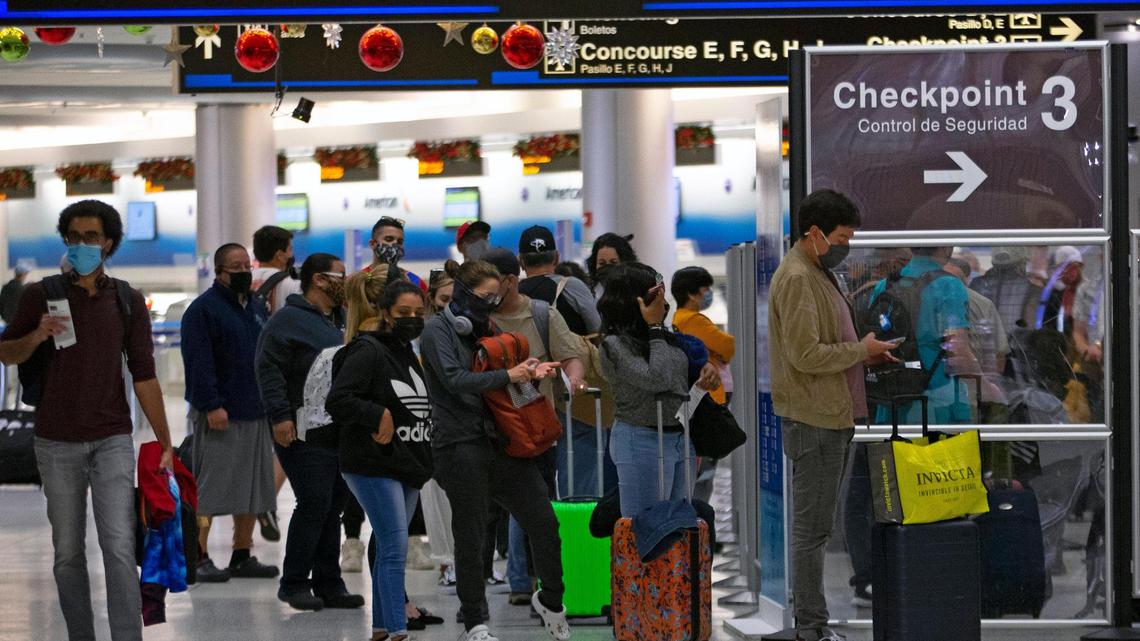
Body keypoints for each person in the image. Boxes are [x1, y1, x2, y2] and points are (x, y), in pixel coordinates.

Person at [0, 200, 175, 641]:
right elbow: (7, 352)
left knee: (118, 547)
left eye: (91, 237)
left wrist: (166, 442)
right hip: (55, 442)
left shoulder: (127, 300)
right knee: (67, 553)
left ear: (108, 243)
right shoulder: (40, 295)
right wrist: (37, 334)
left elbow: (145, 374)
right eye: (74, 237)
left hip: (112, 438)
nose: (82, 245)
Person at [768, 189, 898, 641]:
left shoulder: (818, 273)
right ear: (815, 233)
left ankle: (813, 625)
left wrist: (864, 355)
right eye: (843, 237)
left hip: (830, 416)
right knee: (812, 533)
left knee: (816, 530)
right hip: (815, 421)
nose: (848, 247)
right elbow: (804, 354)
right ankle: (812, 629)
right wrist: (858, 350)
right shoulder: (799, 277)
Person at [420, 258, 571, 641]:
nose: (490, 303)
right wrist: (510, 375)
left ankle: (552, 601)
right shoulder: (437, 331)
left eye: (496, 296)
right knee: (470, 535)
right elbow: (455, 380)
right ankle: (475, 621)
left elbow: (509, 387)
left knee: (544, 521)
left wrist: (529, 377)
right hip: (458, 444)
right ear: (462, 293)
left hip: (503, 441)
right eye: (484, 296)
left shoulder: (489, 326)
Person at [327, 275, 435, 641]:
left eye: (419, 312)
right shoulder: (367, 350)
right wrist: (377, 415)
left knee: (390, 544)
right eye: (404, 311)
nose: (412, 318)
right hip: (373, 461)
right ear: (386, 312)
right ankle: (397, 630)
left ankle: (380, 628)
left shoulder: (404, 351)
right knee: (393, 547)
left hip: (405, 460)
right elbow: (339, 400)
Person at [255, 253, 364, 612]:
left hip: (336, 429)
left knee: (333, 504)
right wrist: (279, 416)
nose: (345, 282)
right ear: (319, 279)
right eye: (341, 275)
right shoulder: (287, 321)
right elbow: (268, 368)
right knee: (314, 502)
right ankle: (294, 582)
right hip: (300, 429)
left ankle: (329, 582)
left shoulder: (339, 319)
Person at [483, 246, 588, 606]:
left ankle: (538, 584)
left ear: (511, 281)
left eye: (487, 282)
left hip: (535, 431)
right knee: (510, 507)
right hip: (486, 430)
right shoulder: (473, 317)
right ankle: (515, 581)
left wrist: (573, 382)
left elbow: (573, 355)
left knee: (536, 506)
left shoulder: (542, 314)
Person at [180, 243, 279, 583]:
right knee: (209, 489)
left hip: (255, 410)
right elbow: (198, 362)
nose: (242, 272)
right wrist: (210, 405)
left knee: (252, 488)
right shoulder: (203, 311)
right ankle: (198, 554)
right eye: (234, 266)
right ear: (219, 272)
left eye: (245, 265)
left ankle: (241, 553)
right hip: (220, 413)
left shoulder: (253, 306)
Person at [597, 261, 699, 518]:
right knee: (646, 530)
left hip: (679, 437)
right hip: (640, 439)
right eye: (655, 295)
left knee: (681, 527)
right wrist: (654, 327)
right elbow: (657, 378)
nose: (662, 304)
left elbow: (676, 381)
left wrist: (702, 378)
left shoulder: (662, 337)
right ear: (635, 301)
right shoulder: (614, 345)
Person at [516, 225, 611, 500]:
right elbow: (598, 326)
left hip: (528, 393)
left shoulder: (515, 298)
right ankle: (577, 532)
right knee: (581, 467)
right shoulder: (571, 287)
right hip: (575, 391)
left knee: (536, 470)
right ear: (556, 257)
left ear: (521, 261)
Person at [869, 247, 974, 425]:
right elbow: (957, 349)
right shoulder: (949, 285)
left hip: (891, 397)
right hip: (936, 396)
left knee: (893, 452)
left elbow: (872, 338)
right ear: (946, 248)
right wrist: (984, 383)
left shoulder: (884, 285)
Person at [250, 225, 300, 544]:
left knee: (248, 448)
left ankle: (245, 535)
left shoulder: (246, 279)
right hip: (278, 371)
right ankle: (266, 500)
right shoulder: (289, 284)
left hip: (244, 374)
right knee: (285, 441)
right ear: (281, 252)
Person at [671, 266, 735, 405]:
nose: (709, 293)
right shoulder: (692, 319)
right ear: (691, 294)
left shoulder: (679, 317)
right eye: (705, 289)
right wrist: (722, 354)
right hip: (713, 388)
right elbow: (728, 346)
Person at [970, 246, 1043, 334]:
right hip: (1017, 345)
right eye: (1025, 262)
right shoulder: (1031, 289)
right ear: (1021, 262)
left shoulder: (976, 284)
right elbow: (1031, 327)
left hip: (980, 345)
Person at [364, 216, 428, 292]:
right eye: (389, 239)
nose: (395, 243)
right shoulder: (358, 280)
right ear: (373, 244)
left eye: (400, 242)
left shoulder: (416, 283)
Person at [251, 225, 301, 315]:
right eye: (290, 249)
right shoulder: (292, 285)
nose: (291, 254)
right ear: (280, 255)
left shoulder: (247, 279)